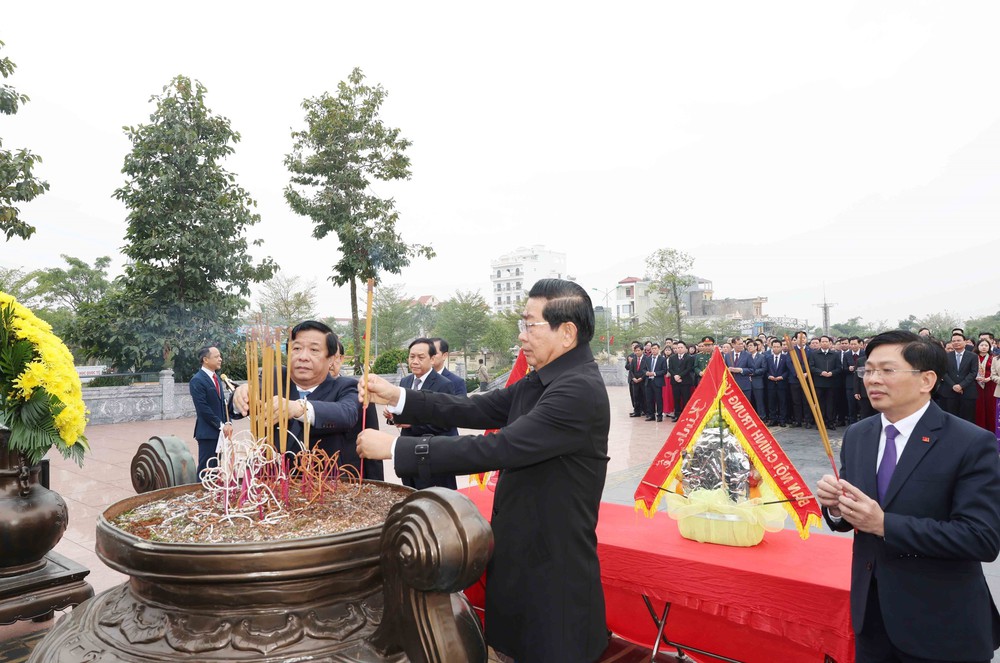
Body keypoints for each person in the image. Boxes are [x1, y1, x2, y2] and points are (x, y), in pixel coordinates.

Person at [356, 279, 610, 663]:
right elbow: (476, 409)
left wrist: (396, 448)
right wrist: (399, 396)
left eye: (530, 324)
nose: (521, 336)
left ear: (567, 332)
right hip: (522, 546)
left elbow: (498, 447)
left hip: (553, 562)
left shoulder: (578, 390)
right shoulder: (542, 379)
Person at [816, 330, 1000, 663]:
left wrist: (885, 524)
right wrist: (836, 506)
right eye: (868, 370)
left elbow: (981, 538)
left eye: (887, 370)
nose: (873, 379)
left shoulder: (971, 443)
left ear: (926, 379)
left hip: (940, 625)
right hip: (872, 616)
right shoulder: (859, 435)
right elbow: (854, 515)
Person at [231, 320, 359, 460]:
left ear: (331, 359)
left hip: (321, 479)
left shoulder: (345, 386)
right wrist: (241, 395)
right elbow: (254, 391)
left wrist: (299, 408)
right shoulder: (274, 376)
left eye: (314, 350)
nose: (303, 357)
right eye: (296, 348)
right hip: (271, 478)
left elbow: (347, 414)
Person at [390, 337, 458, 490]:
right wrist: (393, 416)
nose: (415, 361)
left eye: (420, 357)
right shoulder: (405, 382)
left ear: (432, 359)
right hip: (407, 451)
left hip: (431, 455)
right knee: (410, 494)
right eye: (411, 356)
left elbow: (445, 423)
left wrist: (413, 424)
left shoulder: (444, 385)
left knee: (435, 501)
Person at [329, 338, 383, 481]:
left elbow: (373, 439)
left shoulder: (359, 391)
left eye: (333, 357)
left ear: (341, 359)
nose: (329, 363)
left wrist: (376, 482)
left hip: (351, 473)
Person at [189, 345, 232, 476]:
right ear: (205, 360)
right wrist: (221, 425)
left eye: (220, 356)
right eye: (216, 356)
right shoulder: (197, 380)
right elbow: (203, 409)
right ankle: (201, 494)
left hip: (221, 433)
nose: (220, 359)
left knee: (216, 469)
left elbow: (223, 403)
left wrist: (228, 423)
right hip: (208, 433)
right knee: (206, 469)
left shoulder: (217, 378)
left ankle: (214, 495)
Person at [939, 332, 978, 422]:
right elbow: (943, 372)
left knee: (968, 418)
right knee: (951, 418)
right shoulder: (946, 356)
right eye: (954, 341)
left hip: (967, 391)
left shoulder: (973, 356)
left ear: (964, 342)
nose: (956, 342)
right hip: (949, 391)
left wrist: (961, 385)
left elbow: (973, 373)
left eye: (959, 340)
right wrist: (953, 385)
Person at [974, 338, 997, 435]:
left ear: (989, 347)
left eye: (986, 345)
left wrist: (989, 378)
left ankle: (992, 431)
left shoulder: (994, 358)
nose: (984, 347)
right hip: (976, 385)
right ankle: (979, 431)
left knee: (990, 407)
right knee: (978, 408)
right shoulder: (973, 357)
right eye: (982, 345)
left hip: (990, 385)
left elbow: (996, 372)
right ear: (978, 346)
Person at [668, 340, 694, 421]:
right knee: (676, 399)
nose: (679, 349)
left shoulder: (689, 358)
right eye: (678, 347)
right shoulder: (672, 358)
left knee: (686, 399)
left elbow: (689, 368)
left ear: (685, 349)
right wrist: (675, 376)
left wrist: (679, 376)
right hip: (675, 382)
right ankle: (677, 415)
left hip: (685, 381)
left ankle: (686, 416)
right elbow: (670, 368)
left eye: (681, 347)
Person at [643, 342, 666, 421]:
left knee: (659, 399)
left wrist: (655, 373)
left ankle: (659, 415)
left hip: (657, 381)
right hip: (648, 381)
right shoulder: (647, 359)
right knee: (649, 399)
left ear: (658, 349)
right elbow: (643, 369)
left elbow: (664, 371)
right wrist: (646, 373)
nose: (653, 350)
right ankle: (651, 415)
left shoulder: (662, 359)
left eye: (655, 348)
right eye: (652, 348)